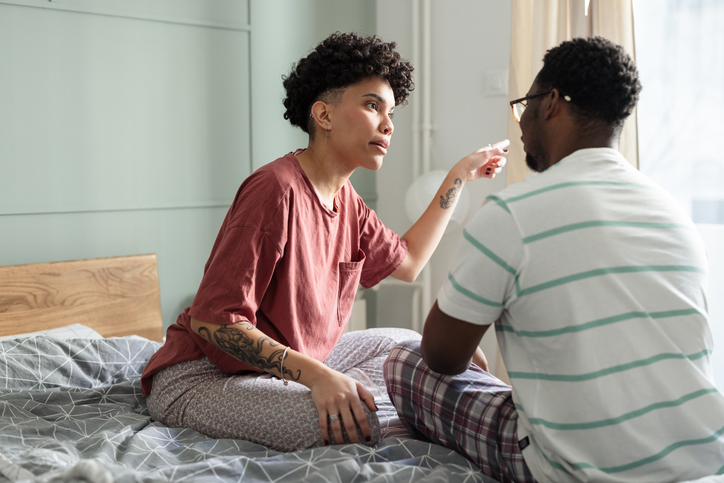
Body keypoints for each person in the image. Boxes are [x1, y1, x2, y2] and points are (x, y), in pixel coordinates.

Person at [140, 32, 508, 452]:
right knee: (357, 420)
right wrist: (317, 376)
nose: (388, 125)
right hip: (202, 377)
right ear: (324, 115)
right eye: (372, 106)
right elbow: (213, 321)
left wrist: (461, 174)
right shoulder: (275, 189)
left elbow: (408, 263)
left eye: (391, 113)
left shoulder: (347, 200)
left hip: (282, 367)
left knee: (407, 345)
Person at [384, 36, 724, 483]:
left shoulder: (513, 215)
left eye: (522, 106)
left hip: (569, 467)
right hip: (698, 460)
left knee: (400, 358)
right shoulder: (673, 213)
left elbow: (441, 357)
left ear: (550, 104)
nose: (520, 124)